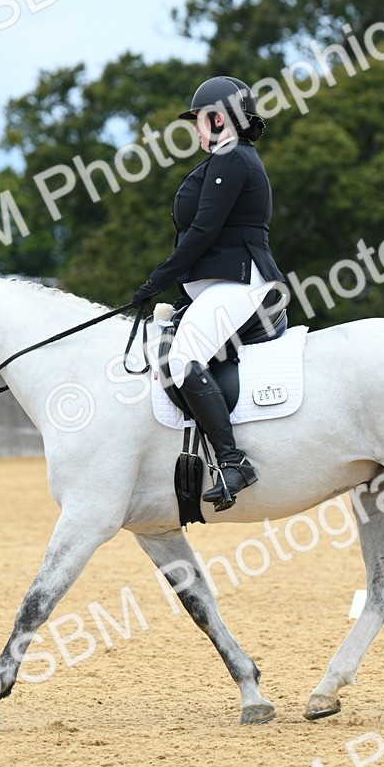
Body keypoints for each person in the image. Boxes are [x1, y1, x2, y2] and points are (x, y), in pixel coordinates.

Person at [130, 76, 286, 511]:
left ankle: (234, 461)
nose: (197, 130)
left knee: (182, 359)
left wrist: (158, 278)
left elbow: (202, 232)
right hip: (217, 285)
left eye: (199, 120)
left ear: (218, 118)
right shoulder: (226, 159)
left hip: (239, 282)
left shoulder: (233, 158)